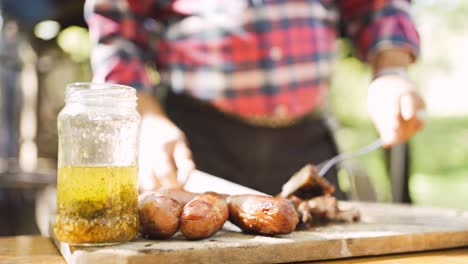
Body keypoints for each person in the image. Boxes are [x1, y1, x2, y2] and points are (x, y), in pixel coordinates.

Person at [84, 0, 425, 199]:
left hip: (306, 144)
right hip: (195, 146)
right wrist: (148, 119)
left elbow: (379, 7)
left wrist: (391, 72)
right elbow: (117, 33)